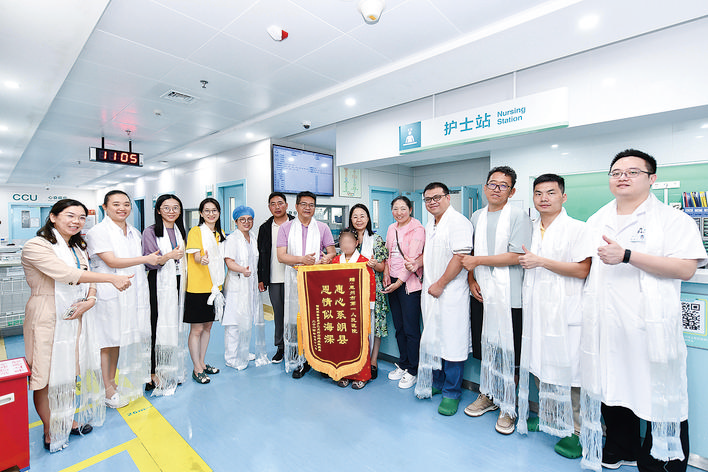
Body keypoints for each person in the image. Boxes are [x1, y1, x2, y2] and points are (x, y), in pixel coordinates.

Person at [580, 149, 707, 472]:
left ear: (652, 179)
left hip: (650, 325)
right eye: (616, 172)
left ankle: (662, 459)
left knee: (659, 393)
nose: (622, 177)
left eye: (632, 172)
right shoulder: (597, 219)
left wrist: (627, 255)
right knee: (612, 386)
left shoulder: (672, 220)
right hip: (608, 323)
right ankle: (621, 446)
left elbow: (685, 269)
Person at [21, 199, 133, 452]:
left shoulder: (77, 248)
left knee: (69, 371)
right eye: (70, 215)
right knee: (46, 375)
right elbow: (67, 274)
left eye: (82, 217)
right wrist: (110, 278)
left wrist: (90, 299)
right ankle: (50, 429)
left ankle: (67, 418)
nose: (76, 221)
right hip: (47, 315)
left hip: (75, 314)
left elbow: (87, 276)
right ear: (53, 217)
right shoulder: (36, 246)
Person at [516, 174, 592, 459]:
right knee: (539, 366)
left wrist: (541, 261)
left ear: (563, 196)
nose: (544, 198)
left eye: (550, 192)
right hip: (537, 310)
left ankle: (577, 431)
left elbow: (583, 270)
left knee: (569, 373)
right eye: (538, 193)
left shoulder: (578, 229)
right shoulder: (530, 228)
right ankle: (549, 418)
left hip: (565, 313)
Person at [461, 166, 532, 434]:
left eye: (503, 185)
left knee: (509, 354)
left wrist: (478, 262)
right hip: (482, 294)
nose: (496, 189)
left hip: (510, 297)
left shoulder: (518, 216)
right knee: (487, 349)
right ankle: (488, 395)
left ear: (511, 192)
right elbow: (470, 255)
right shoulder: (477, 216)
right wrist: (471, 279)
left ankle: (508, 407)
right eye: (492, 183)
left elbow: (517, 256)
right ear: (485, 187)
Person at [86, 190, 156, 409]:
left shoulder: (134, 232)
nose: (122, 208)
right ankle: (106, 389)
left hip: (131, 292)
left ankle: (112, 383)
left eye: (126, 204)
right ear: (105, 207)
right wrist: (146, 258)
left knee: (117, 340)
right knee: (105, 342)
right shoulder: (98, 232)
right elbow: (112, 261)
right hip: (109, 291)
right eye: (116, 204)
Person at [416, 182, 474, 416]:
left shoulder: (459, 222)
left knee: (452, 342)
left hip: (451, 294)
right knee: (434, 339)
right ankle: (438, 382)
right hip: (431, 293)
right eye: (428, 199)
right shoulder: (431, 224)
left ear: (448, 198)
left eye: (436, 197)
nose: (432, 202)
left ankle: (452, 392)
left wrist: (440, 284)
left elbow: (460, 257)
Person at [276, 191, 336, 378]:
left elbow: (332, 251)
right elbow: (281, 256)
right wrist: (302, 260)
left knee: (317, 319)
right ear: (296, 206)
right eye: (304, 204)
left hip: (317, 280)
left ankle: (319, 360)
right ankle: (300, 360)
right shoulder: (285, 228)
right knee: (298, 320)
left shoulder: (322, 227)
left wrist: (326, 258)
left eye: (311, 205)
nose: (307, 208)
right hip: (294, 279)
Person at [141, 194, 187, 395]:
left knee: (174, 324)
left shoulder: (180, 230)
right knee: (156, 325)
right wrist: (169, 256)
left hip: (178, 281)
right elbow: (150, 262)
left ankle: (168, 367)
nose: (171, 211)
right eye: (166, 208)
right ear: (158, 210)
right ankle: (152, 373)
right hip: (158, 282)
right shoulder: (151, 232)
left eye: (175, 207)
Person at [382, 196, 424, 389]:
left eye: (403, 208)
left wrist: (398, 282)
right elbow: (388, 254)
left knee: (411, 329)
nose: (399, 212)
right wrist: (386, 274)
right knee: (399, 326)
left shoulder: (418, 229)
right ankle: (404, 363)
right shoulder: (391, 228)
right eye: (395, 209)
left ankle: (413, 369)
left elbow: (413, 260)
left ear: (410, 210)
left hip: (408, 285)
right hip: (392, 282)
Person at [184, 198, 226, 384]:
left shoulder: (220, 233)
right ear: (201, 213)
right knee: (197, 329)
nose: (211, 214)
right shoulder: (196, 231)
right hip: (197, 288)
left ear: (219, 212)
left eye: (214, 210)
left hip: (214, 288)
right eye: (207, 210)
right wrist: (201, 259)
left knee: (208, 327)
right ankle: (196, 368)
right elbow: (195, 256)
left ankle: (201, 362)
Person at [223, 205, 269, 370]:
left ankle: (243, 351)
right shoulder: (232, 239)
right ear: (236, 222)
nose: (246, 222)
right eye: (242, 219)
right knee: (234, 322)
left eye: (249, 219)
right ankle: (231, 357)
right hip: (237, 284)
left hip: (250, 284)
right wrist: (242, 269)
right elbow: (229, 262)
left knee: (247, 319)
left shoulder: (253, 237)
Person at [330, 228, 376, 389]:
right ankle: (344, 374)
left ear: (356, 243)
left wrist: (369, 306)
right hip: (341, 309)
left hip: (359, 310)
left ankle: (361, 376)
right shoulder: (335, 261)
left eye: (350, 242)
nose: (346, 245)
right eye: (343, 242)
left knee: (360, 342)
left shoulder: (363, 261)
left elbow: (371, 283)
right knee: (342, 341)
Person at [349, 203, 390, 380]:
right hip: (352, 290)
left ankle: (373, 361)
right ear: (351, 219)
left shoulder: (376, 239)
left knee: (375, 326)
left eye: (362, 216)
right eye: (355, 216)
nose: (359, 220)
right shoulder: (347, 238)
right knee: (355, 325)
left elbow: (382, 266)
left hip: (373, 289)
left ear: (368, 219)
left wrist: (375, 264)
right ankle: (355, 359)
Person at [257, 192, 294, 364]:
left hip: (294, 276)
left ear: (287, 205)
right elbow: (261, 254)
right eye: (273, 204)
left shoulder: (296, 224)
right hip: (274, 278)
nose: (277, 207)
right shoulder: (265, 228)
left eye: (280, 203)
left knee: (294, 314)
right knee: (278, 315)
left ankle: (296, 346)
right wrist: (261, 278)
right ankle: (281, 347)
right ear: (269, 207)